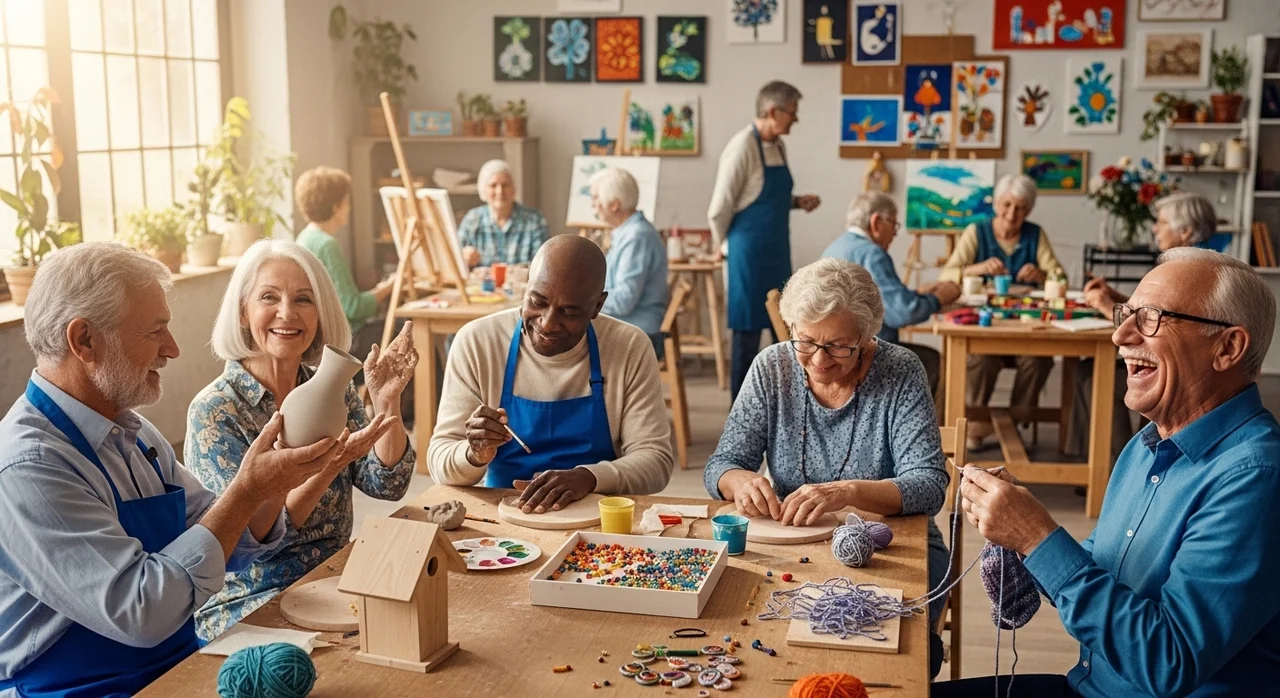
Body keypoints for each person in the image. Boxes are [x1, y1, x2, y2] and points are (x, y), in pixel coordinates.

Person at [0, 243, 345, 695]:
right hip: (79, 687)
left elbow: (233, 542)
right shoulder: (30, 468)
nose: (174, 349)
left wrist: (273, 484)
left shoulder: (133, 432)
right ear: (84, 340)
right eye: (155, 330)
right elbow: (142, 613)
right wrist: (247, 491)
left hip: (173, 665)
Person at [942, 249, 1280, 698]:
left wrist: (1036, 538)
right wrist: (1026, 538)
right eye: (1126, 315)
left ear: (1227, 348)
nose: (1120, 334)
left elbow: (1169, 661)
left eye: (1152, 318)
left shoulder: (1255, 476)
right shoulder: (1148, 446)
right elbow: (1103, 567)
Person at [703, 258, 950, 676]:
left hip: (893, 549)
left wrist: (846, 491)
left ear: (866, 336)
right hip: (794, 546)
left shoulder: (901, 371)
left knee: (881, 654)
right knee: (744, 637)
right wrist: (739, 479)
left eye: (838, 346)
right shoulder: (772, 367)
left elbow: (929, 486)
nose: (818, 360)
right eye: (806, 341)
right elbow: (721, 466)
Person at [186, 240, 417, 641]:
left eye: (304, 299)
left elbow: (388, 484)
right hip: (253, 600)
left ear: (320, 313)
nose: (287, 313)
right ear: (243, 310)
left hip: (337, 580)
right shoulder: (216, 412)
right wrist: (326, 467)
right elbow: (249, 547)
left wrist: (386, 403)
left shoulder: (333, 390)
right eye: (269, 297)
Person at [428, 235, 673, 513]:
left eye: (569, 311)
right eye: (537, 301)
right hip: (503, 514)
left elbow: (656, 462)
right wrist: (473, 454)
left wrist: (590, 477)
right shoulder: (478, 342)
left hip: (598, 515)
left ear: (597, 306)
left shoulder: (628, 347)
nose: (548, 323)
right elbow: (439, 463)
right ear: (526, 285)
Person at [1066, 192, 1219, 460]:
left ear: (1184, 231)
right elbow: (1157, 314)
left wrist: (1104, 306)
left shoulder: (1193, 274)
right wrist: (1113, 296)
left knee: (1099, 378)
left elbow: (1160, 325)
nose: (1154, 228)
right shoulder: (1184, 263)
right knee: (1084, 369)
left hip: (1177, 364)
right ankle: (1085, 460)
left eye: (1161, 222)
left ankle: (1116, 462)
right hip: (1163, 355)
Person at [708, 80, 822, 403]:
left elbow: (758, 196)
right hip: (746, 255)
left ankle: (784, 406)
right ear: (772, 111)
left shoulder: (778, 145)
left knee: (784, 331)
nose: (795, 120)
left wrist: (797, 202)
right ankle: (740, 413)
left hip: (775, 251)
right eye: (792, 113)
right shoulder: (742, 146)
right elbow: (719, 209)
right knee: (746, 337)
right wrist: (722, 246)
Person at [939, 174, 1064, 450]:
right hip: (986, 320)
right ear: (996, 204)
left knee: (1039, 360)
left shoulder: (1035, 234)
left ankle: (1015, 422)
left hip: (1025, 324)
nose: (1012, 214)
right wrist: (979, 268)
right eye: (1007, 205)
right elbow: (948, 272)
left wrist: (1042, 274)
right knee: (980, 359)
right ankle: (974, 425)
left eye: (1020, 208)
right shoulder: (977, 231)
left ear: (1028, 210)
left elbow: (1058, 275)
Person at [822, 192, 961, 394]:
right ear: (877, 222)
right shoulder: (872, 253)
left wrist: (915, 293)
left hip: (835, 350)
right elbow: (903, 313)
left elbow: (880, 300)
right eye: (894, 225)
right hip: (862, 354)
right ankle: (912, 423)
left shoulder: (836, 247)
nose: (895, 234)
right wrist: (939, 298)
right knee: (929, 360)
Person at [295, 166, 393, 335]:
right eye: (347, 202)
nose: (349, 208)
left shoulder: (305, 237)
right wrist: (389, 286)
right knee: (411, 332)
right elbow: (353, 309)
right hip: (346, 338)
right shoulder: (327, 245)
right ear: (335, 207)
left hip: (322, 334)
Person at [591, 166, 670, 357]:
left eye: (596, 199)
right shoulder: (628, 233)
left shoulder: (637, 237)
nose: (594, 206)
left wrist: (585, 299)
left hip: (638, 332)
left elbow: (624, 301)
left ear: (615, 205)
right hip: (629, 325)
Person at [457, 159, 549, 269]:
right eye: (493, 185)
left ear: (514, 188)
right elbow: (455, 260)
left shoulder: (535, 221)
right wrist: (463, 257)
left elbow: (543, 268)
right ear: (483, 190)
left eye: (505, 185)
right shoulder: (472, 219)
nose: (500, 191)